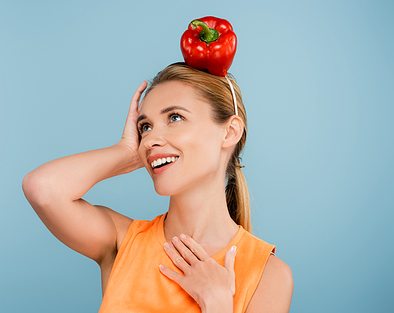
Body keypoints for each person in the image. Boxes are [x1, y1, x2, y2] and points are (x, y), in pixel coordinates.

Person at [22, 62, 293, 312]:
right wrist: (127, 150)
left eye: (174, 117)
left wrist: (218, 305)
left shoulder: (268, 273)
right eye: (145, 127)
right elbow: (43, 188)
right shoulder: (121, 242)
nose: (150, 139)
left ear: (230, 132)